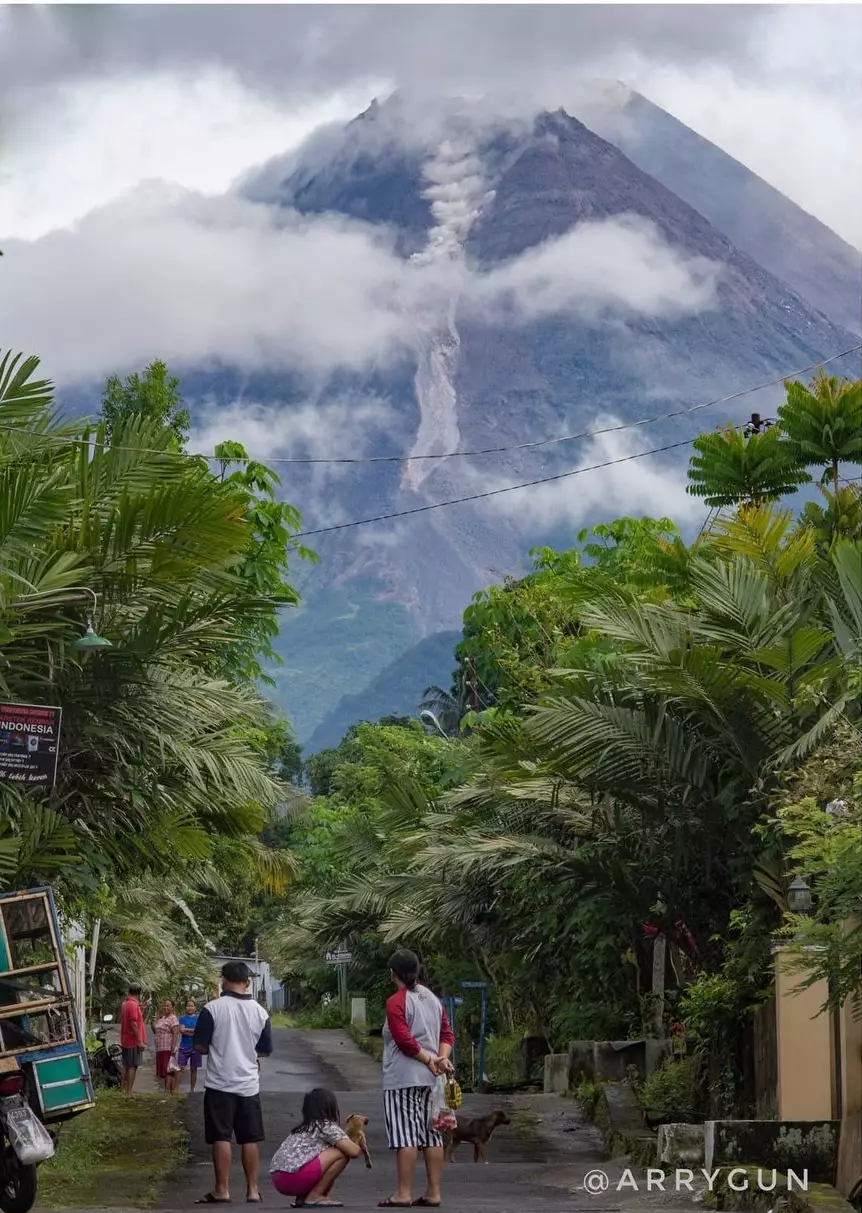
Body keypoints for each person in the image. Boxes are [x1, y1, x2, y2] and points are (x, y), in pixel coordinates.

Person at [378, 949, 454, 1209]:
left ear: (393, 973)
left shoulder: (396, 1001)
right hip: (432, 1080)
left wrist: (428, 1060)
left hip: (404, 1077)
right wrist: (440, 1059)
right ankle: (434, 1192)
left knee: (405, 1135)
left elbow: (404, 1040)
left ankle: (403, 1193)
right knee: (432, 1134)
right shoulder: (432, 998)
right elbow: (447, 1033)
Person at [193, 960, 272, 1205]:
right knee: (250, 1138)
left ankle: (222, 1189)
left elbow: (199, 1046)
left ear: (223, 980)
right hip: (249, 1084)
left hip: (219, 1084)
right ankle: (253, 1191)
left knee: (221, 1136)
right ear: (247, 983)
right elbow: (265, 1050)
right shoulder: (260, 1012)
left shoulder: (212, 1009)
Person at [270, 1088, 360, 1208]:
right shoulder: (325, 1126)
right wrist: (357, 1140)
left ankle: (303, 1198)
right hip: (295, 1178)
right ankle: (315, 1196)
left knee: (309, 1158)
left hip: (278, 1179)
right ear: (331, 1107)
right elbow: (353, 1152)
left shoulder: (302, 1128)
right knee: (341, 1153)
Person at [119, 983, 147, 1095]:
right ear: (139, 993)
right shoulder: (133, 1005)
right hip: (132, 1040)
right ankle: (128, 1092)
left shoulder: (125, 1003)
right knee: (132, 1066)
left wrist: (141, 1009)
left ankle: (123, 1090)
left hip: (125, 1039)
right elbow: (133, 1023)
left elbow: (133, 1018)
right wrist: (139, 1041)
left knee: (126, 1065)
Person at [153, 999, 181, 1093]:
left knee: (168, 1069)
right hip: (160, 1047)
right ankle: (170, 1090)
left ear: (172, 1007)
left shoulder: (173, 1018)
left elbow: (175, 1034)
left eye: (168, 1005)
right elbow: (156, 1032)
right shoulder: (162, 1018)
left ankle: (168, 1090)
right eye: (165, 1005)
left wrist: (173, 1047)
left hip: (167, 1047)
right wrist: (154, 1022)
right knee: (165, 1069)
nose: (166, 1007)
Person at [178, 998, 202, 1093]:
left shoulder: (199, 1018)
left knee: (194, 1068)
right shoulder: (182, 1018)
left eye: (192, 1006)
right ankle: (176, 1090)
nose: (190, 1008)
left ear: (195, 1008)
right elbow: (182, 1031)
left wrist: (187, 1030)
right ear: (185, 1007)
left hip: (196, 1047)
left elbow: (199, 1031)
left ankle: (192, 1090)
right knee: (180, 1068)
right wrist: (194, 1032)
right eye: (188, 1006)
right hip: (184, 1046)